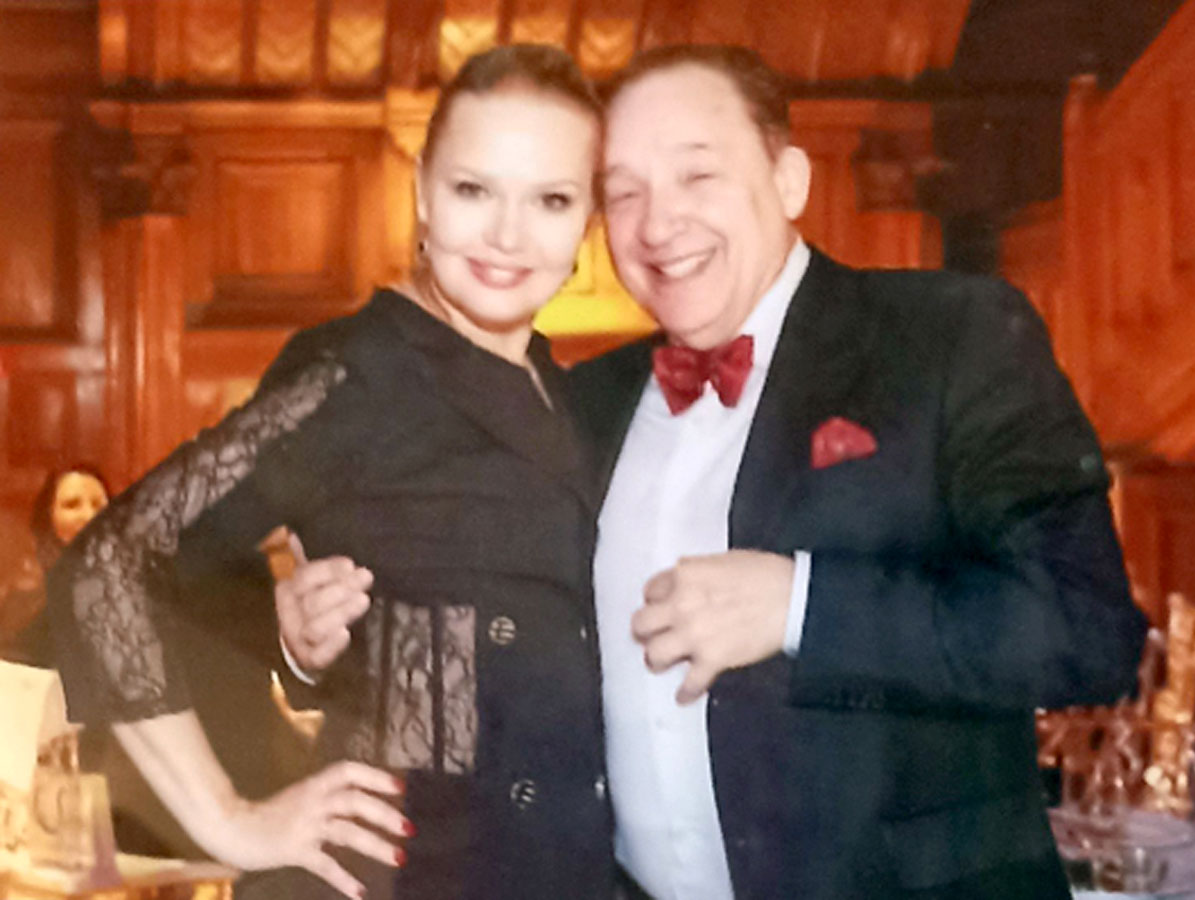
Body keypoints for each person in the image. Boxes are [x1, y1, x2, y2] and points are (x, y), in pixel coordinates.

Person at [281, 45, 1148, 900]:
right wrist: (310, 652)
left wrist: (800, 605)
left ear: (789, 181)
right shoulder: (579, 402)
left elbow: (1088, 627)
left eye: (697, 175)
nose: (658, 225)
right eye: (624, 192)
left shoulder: (949, 338)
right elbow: (479, 636)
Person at [47, 44, 611, 900]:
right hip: (400, 877)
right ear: (423, 194)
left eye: (551, 199)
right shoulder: (354, 373)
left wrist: (301, 652)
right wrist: (228, 818)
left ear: (587, 222)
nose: (508, 233)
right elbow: (106, 567)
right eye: (474, 189)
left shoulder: (561, 387)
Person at [1, 464, 109, 664]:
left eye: (99, 505)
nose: (89, 516)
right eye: (72, 505)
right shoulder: (28, 591)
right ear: (48, 516)